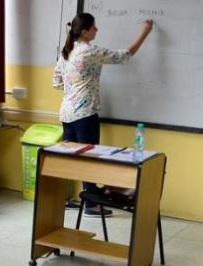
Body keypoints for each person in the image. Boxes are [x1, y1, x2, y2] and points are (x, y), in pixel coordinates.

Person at [52, 13, 154, 215]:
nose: (97, 30)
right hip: (85, 113)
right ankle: (91, 204)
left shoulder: (67, 52)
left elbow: (56, 82)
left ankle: (60, 200)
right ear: (84, 31)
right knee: (89, 157)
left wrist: (75, 85)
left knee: (70, 159)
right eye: (94, 27)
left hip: (66, 113)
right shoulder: (89, 51)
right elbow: (124, 55)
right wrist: (145, 32)